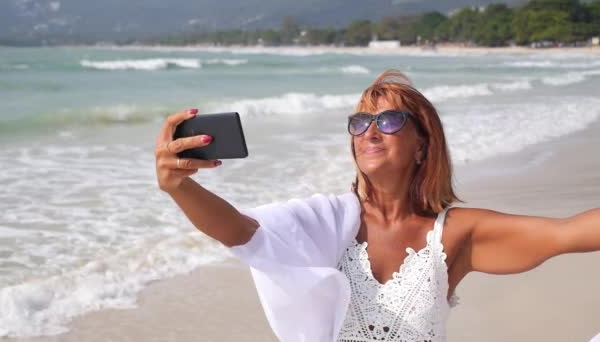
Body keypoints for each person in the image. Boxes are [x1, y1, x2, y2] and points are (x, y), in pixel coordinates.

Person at [154, 70, 600, 342]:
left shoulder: (456, 234)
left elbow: (570, 232)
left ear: (423, 144)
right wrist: (178, 187)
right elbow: (240, 232)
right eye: (360, 122)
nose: (369, 131)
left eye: (388, 121)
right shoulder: (325, 222)